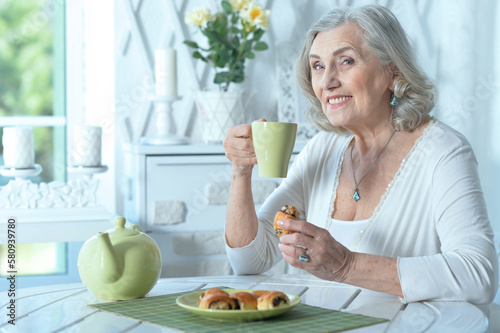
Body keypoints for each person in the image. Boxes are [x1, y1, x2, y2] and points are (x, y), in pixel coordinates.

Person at [222, 4, 498, 304]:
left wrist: (347, 265)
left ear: (392, 71)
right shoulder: (322, 149)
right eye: (317, 66)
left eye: (346, 61)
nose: (327, 81)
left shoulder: (444, 151)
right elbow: (249, 262)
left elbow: (478, 275)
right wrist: (240, 172)